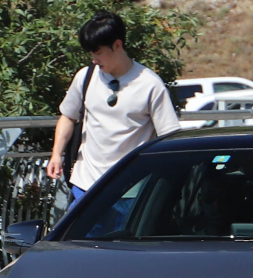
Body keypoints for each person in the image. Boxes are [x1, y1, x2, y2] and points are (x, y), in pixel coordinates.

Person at [49, 11, 179, 196]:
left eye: (99, 53)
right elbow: (68, 117)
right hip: (85, 186)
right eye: (91, 54)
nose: (94, 60)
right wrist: (56, 154)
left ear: (117, 45)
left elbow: (169, 136)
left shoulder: (150, 84)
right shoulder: (85, 77)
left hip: (130, 190)